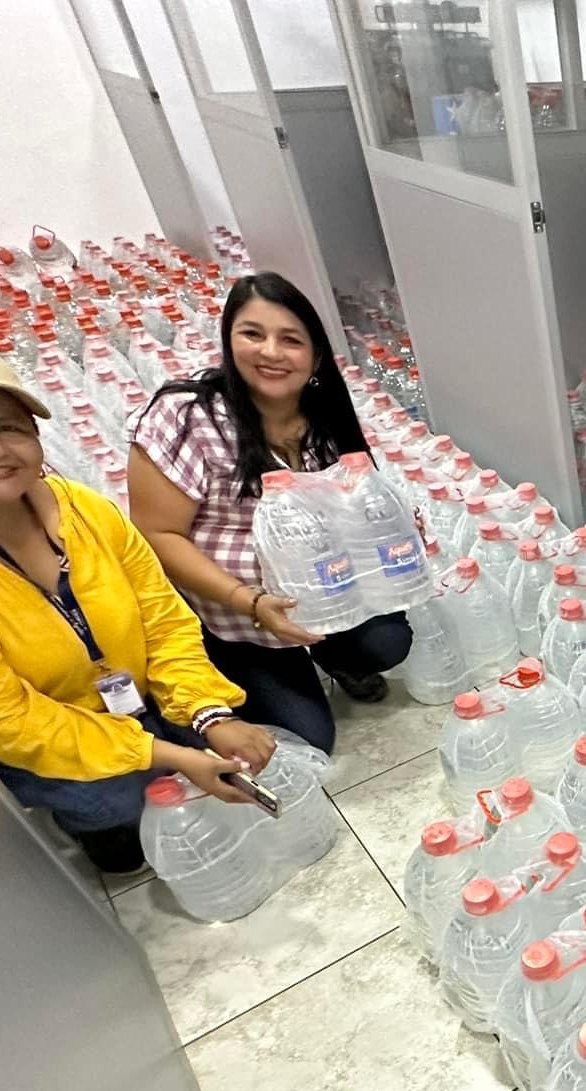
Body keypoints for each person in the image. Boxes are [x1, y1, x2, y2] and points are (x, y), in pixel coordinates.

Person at [0, 334, 276, 875]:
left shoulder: (82, 508)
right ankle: (94, 822)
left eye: (10, 427)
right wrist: (171, 755)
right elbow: (1, 716)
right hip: (33, 732)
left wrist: (207, 712)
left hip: (132, 699)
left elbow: (163, 620)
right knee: (120, 802)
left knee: (242, 744)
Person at [128, 272, 410, 753]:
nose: (271, 352)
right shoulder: (187, 417)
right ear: (228, 340)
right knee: (309, 738)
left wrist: (394, 530)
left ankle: (333, 658)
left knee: (386, 643)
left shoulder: (325, 416)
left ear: (315, 358)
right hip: (234, 614)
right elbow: (156, 534)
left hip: (322, 592)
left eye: (291, 340)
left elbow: (352, 504)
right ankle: (235, 670)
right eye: (253, 334)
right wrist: (251, 601)